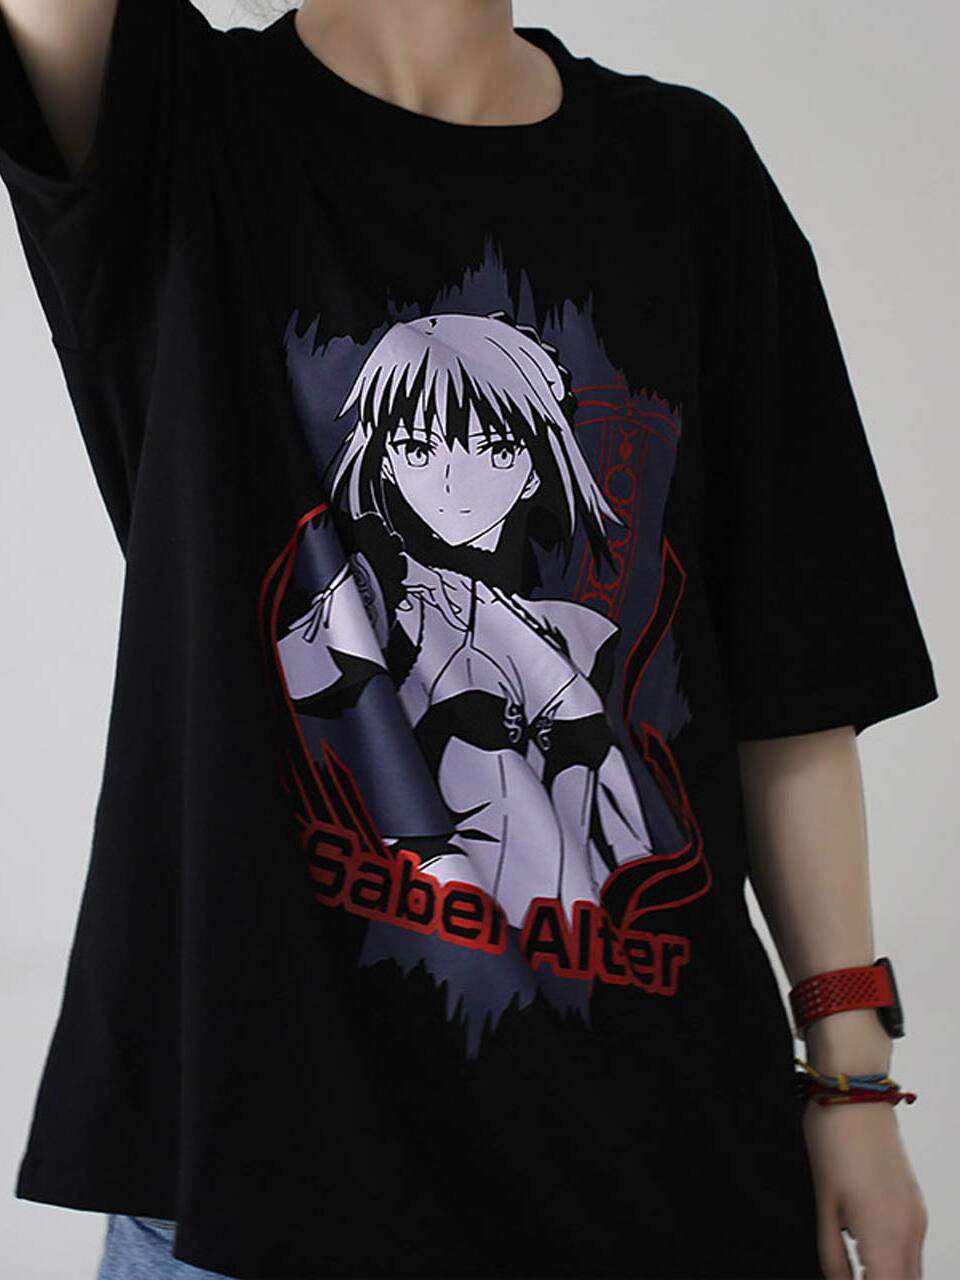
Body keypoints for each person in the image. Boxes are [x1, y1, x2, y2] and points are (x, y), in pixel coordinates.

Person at [0, 1, 938, 1278]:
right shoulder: (180, 126)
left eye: (496, 441)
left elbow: (791, 685)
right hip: (264, 1176)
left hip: (663, 1167)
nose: (458, 469)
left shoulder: (684, 172)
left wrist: (853, 1080)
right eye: (421, 440)